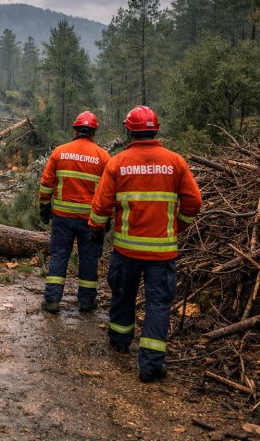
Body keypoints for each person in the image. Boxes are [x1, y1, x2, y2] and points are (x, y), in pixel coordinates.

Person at [88, 105, 201, 382]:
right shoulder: (175, 162)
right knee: (158, 305)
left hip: (126, 250)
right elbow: (194, 203)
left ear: (129, 131)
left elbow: (101, 205)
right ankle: (150, 365)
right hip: (161, 252)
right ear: (156, 130)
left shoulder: (118, 162)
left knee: (123, 295)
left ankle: (119, 341)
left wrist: (95, 228)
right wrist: (177, 226)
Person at [38, 111, 110, 314]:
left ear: (75, 130)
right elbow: (108, 192)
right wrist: (107, 219)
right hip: (91, 219)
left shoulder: (60, 152)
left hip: (62, 216)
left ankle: (52, 300)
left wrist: (44, 207)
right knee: (88, 258)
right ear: (93, 132)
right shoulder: (103, 156)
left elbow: (46, 183)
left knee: (60, 255)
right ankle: (86, 302)